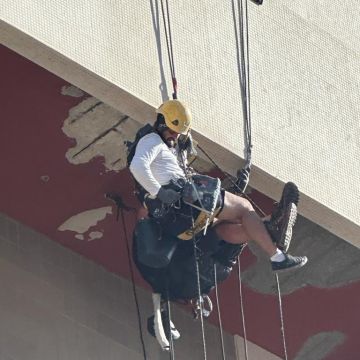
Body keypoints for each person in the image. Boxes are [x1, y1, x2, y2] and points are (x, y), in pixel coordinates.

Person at [129, 100, 308, 272]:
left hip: (182, 224)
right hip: (187, 204)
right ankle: (277, 255)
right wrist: (159, 192)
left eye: (178, 133)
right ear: (161, 122)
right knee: (245, 208)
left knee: (221, 228)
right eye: (172, 131)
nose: (175, 136)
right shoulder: (152, 140)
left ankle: (270, 225)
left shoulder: (169, 150)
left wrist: (235, 188)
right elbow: (137, 165)